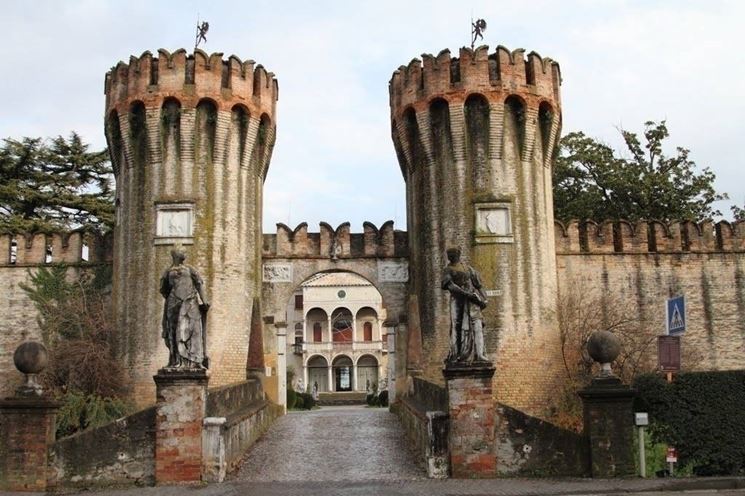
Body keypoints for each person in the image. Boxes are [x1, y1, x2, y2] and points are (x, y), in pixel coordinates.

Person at [160, 248, 210, 368]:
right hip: (173, 304)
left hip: (190, 303)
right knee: (173, 331)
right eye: (182, 251)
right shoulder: (167, 272)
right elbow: (164, 290)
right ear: (175, 255)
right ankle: (175, 360)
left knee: (193, 330)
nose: (184, 253)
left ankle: (193, 360)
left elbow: (199, 284)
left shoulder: (190, 269)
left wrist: (205, 301)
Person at [441, 247, 488, 363]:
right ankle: (456, 354)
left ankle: (476, 354)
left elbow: (478, 285)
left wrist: (485, 299)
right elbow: (450, 286)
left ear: (458, 254)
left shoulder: (468, 269)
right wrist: (466, 294)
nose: (449, 256)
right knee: (456, 326)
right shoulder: (447, 270)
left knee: (474, 326)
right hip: (457, 301)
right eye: (448, 254)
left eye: (451, 253)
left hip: (471, 301)